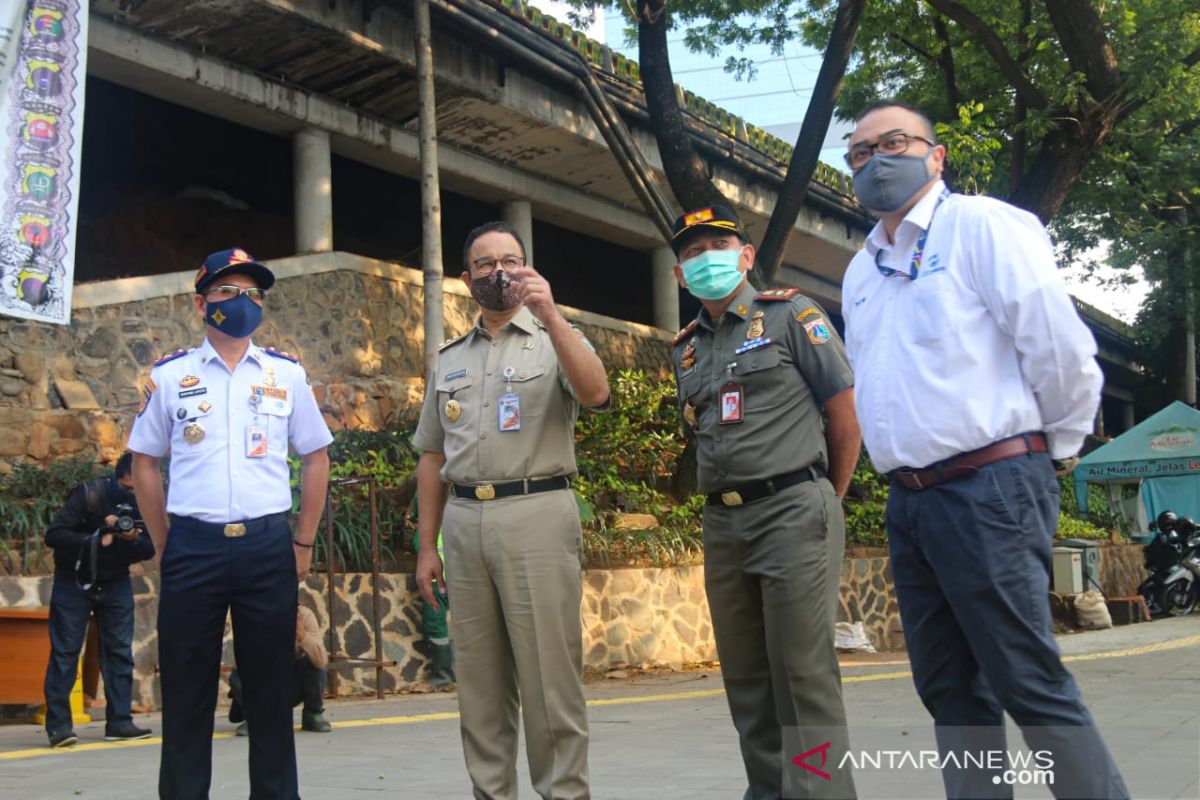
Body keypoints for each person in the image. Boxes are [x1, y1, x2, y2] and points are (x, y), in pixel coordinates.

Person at [840, 100, 1129, 799]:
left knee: (1026, 679)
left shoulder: (981, 226)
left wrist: (1047, 451)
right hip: (910, 502)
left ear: (934, 156)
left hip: (990, 486)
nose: (876, 160)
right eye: (859, 153)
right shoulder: (860, 273)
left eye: (894, 143)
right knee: (949, 689)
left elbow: (1059, 349)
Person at [669, 204, 861, 799]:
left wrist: (828, 495)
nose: (706, 260)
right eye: (692, 253)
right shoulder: (686, 349)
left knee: (803, 677)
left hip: (793, 508)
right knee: (748, 682)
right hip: (723, 521)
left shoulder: (791, 314)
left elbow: (845, 414)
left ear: (746, 256)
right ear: (678, 274)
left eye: (718, 246)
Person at [413, 221, 609, 800]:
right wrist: (428, 546)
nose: (498, 272)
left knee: (551, 681)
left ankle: (564, 794)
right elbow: (430, 455)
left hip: (537, 512)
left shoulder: (556, 336)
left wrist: (551, 316)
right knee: (479, 683)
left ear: (527, 269)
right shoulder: (449, 358)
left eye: (511, 261)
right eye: (484, 263)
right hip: (464, 523)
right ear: (466, 278)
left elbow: (596, 393)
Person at [128, 247, 332, 800]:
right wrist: (165, 543)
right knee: (189, 691)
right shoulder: (171, 377)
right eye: (228, 292)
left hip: (268, 546)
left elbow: (316, 455)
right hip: (193, 546)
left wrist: (303, 541)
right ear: (201, 304)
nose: (242, 303)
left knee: (269, 693)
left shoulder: (285, 375)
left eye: (252, 293)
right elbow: (143, 462)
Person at [42, 452, 154, 748]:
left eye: (137, 488)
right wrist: (96, 536)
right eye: (128, 488)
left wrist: (131, 539)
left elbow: (149, 549)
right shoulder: (89, 494)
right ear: (117, 479)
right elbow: (54, 535)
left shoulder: (146, 500)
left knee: (119, 651)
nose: (132, 494)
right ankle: (59, 726)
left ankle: (119, 721)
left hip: (115, 582)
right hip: (74, 581)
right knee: (65, 653)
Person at [229, 604, 331, 736]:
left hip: (290, 685)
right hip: (262, 686)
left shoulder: (305, 615)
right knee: (237, 676)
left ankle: (312, 714)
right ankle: (257, 718)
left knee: (315, 663)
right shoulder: (256, 614)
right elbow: (242, 661)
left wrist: (302, 635)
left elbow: (320, 660)